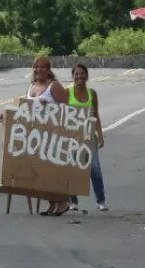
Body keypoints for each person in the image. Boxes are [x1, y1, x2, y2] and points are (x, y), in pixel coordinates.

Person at [25, 55, 71, 216]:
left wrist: (50, 107)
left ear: (48, 69)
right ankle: (52, 203)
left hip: (54, 135)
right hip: (36, 136)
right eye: (36, 67)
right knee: (41, 171)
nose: (39, 70)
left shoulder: (54, 86)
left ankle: (63, 201)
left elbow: (68, 109)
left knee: (54, 169)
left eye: (43, 67)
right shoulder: (31, 86)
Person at [66, 63, 107, 211]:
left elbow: (95, 115)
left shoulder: (92, 94)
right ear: (73, 77)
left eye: (82, 74)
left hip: (89, 137)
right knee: (72, 167)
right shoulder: (67, 93)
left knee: (94, 168)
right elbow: (60, 114)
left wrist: (100, 135)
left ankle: (100, 200)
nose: (79, 76)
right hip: (72, 137)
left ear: (87, 76)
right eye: (76, 74)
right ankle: (73, 200)